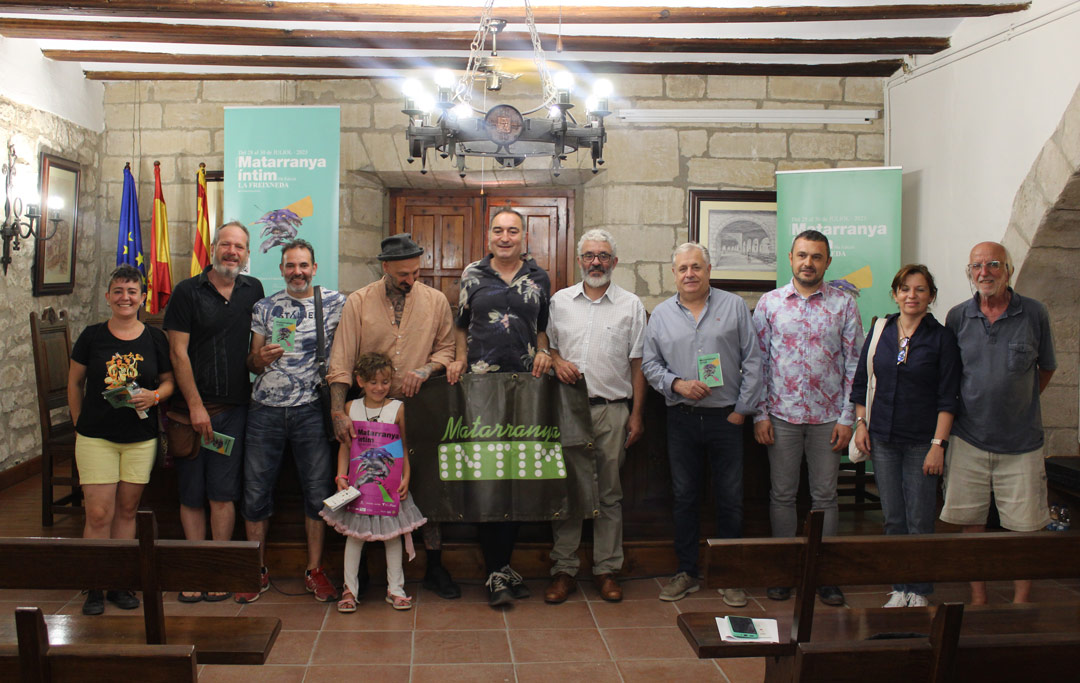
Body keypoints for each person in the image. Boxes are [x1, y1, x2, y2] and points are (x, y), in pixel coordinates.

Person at [326, 233, 459, 599]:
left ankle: (434, 567)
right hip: (367, 412)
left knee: (427, 489)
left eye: (415, 272)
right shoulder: (358, 302)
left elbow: (447, 348)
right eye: (403, 273)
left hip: (419, 409)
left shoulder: (435, 301)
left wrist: (428, 368)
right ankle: (363, 576)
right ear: (384, 266)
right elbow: (341, 360)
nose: (410, 279)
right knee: (365, 486)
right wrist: (338, 411)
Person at [642, 242, 763, 604]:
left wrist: (742, 410)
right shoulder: (661, 314)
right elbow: (650, 366)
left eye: (696, 267)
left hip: (726, 418)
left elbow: (754, 360)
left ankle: (728, 575)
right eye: (683, 269)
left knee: (730, 499)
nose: (690, 274)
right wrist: (676, 384)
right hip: (681, 418)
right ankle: (687, 572)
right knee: (684, 498)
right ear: (674, 273)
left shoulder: (734, 307)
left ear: (708, 270)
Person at [446, 207, 553, 607]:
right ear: (488, 236)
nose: (505, 237)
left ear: (524, 237)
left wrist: (544, 353)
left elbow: (542, 328)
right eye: (498, 231)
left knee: (519, 474)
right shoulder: (473, 274)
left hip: (526, 388)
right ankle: (496, 570)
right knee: (488, 477)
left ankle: (503, 567)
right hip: (481, 388)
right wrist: (458, 359)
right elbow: (461, 324)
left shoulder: (539, 277)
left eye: (512, 231)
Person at [941, 241, 1056, 605]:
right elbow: (951, 376)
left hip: (1022, 443)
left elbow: (1047, 368)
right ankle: (979, 598)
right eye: (976, 266)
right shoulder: (958, 316)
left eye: (993, 264)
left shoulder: (1034, 313)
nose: (984, 273)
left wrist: (1017, 403)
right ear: (970, 273)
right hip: (969, 439)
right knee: (971, 526)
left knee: (1025, 529)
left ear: (1008, 269)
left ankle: (1021, 602)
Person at [752, 229, 862, 607]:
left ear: (828, 262)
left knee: (825, 497)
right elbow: (759, 363)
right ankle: (785, 571)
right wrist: (759, 415)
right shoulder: (769, 304)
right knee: (782, 495)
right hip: (780, 415)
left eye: (816, 257)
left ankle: (823, 575)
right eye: (802, 255)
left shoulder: (844, 305)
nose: (808, 263)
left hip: (828, 418)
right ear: (790, 258)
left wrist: (848, 418)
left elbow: (855, 366)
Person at [236, 239, 346, 604]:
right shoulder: (264, 307)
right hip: (264, 410)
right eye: (290, 266)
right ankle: (256, 570)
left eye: (303, 266)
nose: (297, 272)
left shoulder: (335, 303)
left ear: (315, 268)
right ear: (281, 270)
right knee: (255, 491)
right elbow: (251, 363)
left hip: (311, 409)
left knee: (317, 492)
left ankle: (315, 570)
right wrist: (261, 358)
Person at [544, 229, 647, 604]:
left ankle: (607, 569)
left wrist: (636, 415)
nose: (596, 262)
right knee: (568, 490)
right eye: (589, 255)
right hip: (566, 411)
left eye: (603, 256)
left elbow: (638, 365)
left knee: (609, 494)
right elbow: (548, 348)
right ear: (579, 260)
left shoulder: (631, 305)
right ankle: (563, 570)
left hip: (612, 411)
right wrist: (556, 361)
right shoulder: (559, 302)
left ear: (614, 262)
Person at [164, 221, 264, 602]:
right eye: (226, 245)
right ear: (212, 248)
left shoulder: (253, 289)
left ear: (247, 253)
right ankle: (195, 569)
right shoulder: (187, 292)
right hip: (190, 415)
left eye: (239, 247)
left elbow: (256, 346)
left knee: (223, 493)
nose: (232, 252)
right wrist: (194, 407)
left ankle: (219, 567)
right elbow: (178, 353)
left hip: (233, 411)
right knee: (191, 492)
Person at [850, 264, 961, 608]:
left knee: (920, 518)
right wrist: (861, 423)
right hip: (882, 437)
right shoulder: (881, 330)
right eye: (905, 289)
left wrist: (937, 446)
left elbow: (949, 397)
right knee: (893, 518)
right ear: (895, 294)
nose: (911, 296)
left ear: (931, 296)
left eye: (920, 289)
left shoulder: (941, 338)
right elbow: (860, 383)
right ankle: (900, 587)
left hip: (921, 443)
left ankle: (920, 590)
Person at [67, 265, 175, 615]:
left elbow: (169, 382)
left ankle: (119, 582)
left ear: (142, 297)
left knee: (127, 511)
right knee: (98, 512)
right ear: (108, 296)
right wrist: (78, 423)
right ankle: (95, 584)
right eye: (118, 291)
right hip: (96, 436)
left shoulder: (156, 338)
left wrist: (154, 396)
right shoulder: (92, 336)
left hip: (140, 438)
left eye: (132, 291)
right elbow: (74, 383)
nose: (125, 297)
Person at [322, 352, 427, 612]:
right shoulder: (351, 408)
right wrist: (341, 476)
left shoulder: (397, 408)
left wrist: (406, 478)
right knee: (355, 538)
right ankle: (350, 590)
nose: (379, 388)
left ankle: (396, 589)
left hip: (389, 486)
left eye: (385, 382)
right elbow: (345, 447)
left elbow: (403, 447)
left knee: (393, 537)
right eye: (373, 382)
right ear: (360, 381)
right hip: (359, 487)